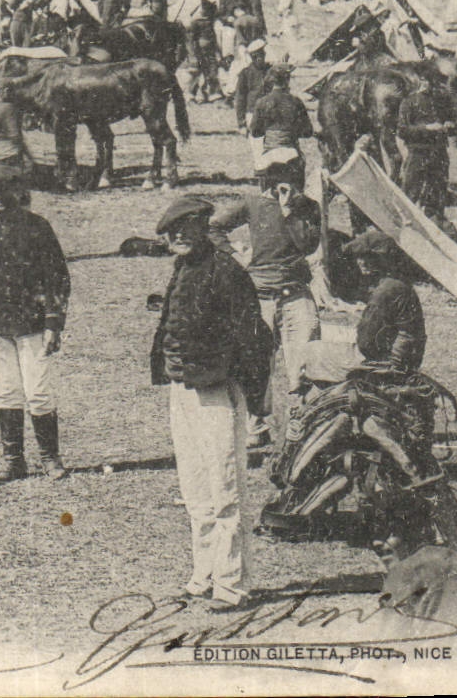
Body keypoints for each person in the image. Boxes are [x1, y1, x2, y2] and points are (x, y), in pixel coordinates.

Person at [149, 196, 268, 610]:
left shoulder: (226, 271)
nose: (179, 236)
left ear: (205, 228)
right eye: (173, 231)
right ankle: (205, 575)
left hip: (217, 391)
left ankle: (233, 585)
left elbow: (254, 335)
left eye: (187, 228)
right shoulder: (183, 267)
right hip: (182, 389)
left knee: (225, 489)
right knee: (196, 489)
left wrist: (254, 396)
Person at [0, 163, 71, 484]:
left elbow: (58, 278)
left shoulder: (38, 228)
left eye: (0, 191)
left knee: (37, 391)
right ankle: (14, 461)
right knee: (7, 392)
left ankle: (50, 458)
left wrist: (53, 322)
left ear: (17, 191)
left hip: (32, 324)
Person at [210, 158, 321, 447]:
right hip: (260, 298)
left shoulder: (308, 208)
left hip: (296, 296)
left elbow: (308, 245)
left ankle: (301, 426)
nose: (283, 186)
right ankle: (256, 428)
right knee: (257, 365)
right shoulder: (252, 204)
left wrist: (288, 213)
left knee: (304, 365)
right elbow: (214, 228)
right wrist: (237, 254)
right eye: (276, 181)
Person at [342, 230, 425, 373]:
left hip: (392, 362)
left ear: (383, 259)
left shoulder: (385, 291)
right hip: (408, 354)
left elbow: (365, 342)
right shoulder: (397, 282)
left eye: (369, 257)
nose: (361, 262)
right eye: (359, 257)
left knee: (318, 354)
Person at [397, 80, 457, 244]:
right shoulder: (408, 102)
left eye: (431, 80)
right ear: (418, 81)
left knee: (437, 198)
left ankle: (438, 238)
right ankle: (403, 237)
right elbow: (402, 131)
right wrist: (427, 128)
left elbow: (455, 127)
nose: (428, 85)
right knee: (409, 196)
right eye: (425, 80)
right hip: (418, 154)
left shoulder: (441, 102)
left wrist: (450, 125)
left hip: (439, 155)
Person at [247, 65, 314, 173]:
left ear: (271, 81)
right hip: (291, 153)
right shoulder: (296, 102)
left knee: (261, 173)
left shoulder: (262, 102)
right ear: (287, 80)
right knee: (299, 174)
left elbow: (254, 132)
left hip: (270, 152)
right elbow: (308, 131)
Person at [232, 39, 271, 166]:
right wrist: (241, 124)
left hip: (271, 113)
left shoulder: (270, 71)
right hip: (253, 114)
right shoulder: (245, 74)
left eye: (263, 54)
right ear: (253, 57)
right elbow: (240, 100)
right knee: (258, 147)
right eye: (259, 56)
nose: (262, 58)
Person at [187, 0, 224, 102]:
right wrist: (193, 54)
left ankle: (213, 92)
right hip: (199, 51)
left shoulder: (210, 22)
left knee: (212, 70)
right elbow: (192, 40)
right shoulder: (196, 22)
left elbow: (213, 38)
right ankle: (191, 93)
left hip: (210, 50)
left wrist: (218, 52)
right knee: (197, 72)